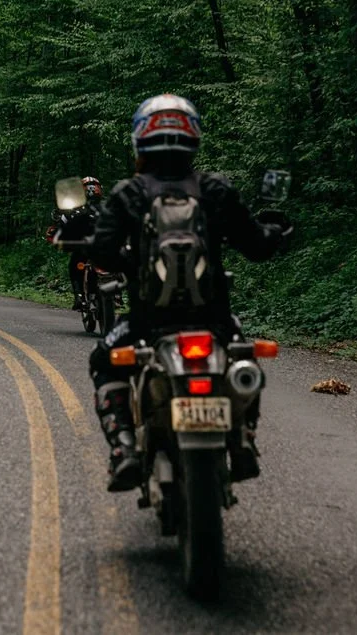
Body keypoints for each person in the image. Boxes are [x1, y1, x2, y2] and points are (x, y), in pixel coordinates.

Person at [88, 94, 291, 492]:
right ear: (193, 135)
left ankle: (124, 449)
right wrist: (277, 231)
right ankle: (245, 435)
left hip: (149, 322)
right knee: (243, 355)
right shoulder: (214, 188)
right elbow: (256, 246)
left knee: (104, 360)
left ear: (140, 140)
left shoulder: (128, 193)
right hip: (213, 321)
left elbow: (102, 253)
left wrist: (119, 257)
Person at [48, 177, 104, 310]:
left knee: (75, 265)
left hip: (87, 248)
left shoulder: (73, 210)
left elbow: (60, 228)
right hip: (100, 248)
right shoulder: (108, 207)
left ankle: (79, 296)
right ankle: (81, 296)